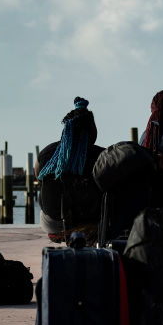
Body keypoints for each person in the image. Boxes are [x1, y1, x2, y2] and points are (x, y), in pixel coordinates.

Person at [35, 97, 104, 244]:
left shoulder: (47, 153)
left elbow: (39, 176)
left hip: (54, 224)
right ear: (91, 129)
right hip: (91, 223)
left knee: (44, 190)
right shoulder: (102, 156)